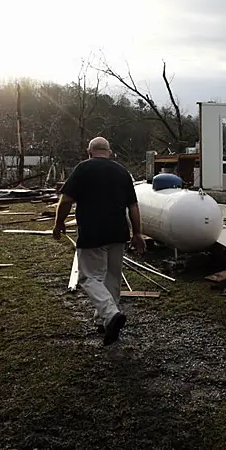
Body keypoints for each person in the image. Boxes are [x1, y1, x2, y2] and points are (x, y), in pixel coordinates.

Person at [53, 137, 146, 345]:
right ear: (110, 152)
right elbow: (133, 206)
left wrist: (59, 223)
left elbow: (66, 199)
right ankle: (104, 320)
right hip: (118, 234)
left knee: (89, 278)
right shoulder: (122, 172)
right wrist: (137, 233)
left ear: (89, 152)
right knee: (112, 277)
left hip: (92, 233)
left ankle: (111, 314)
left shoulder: (83, 169)